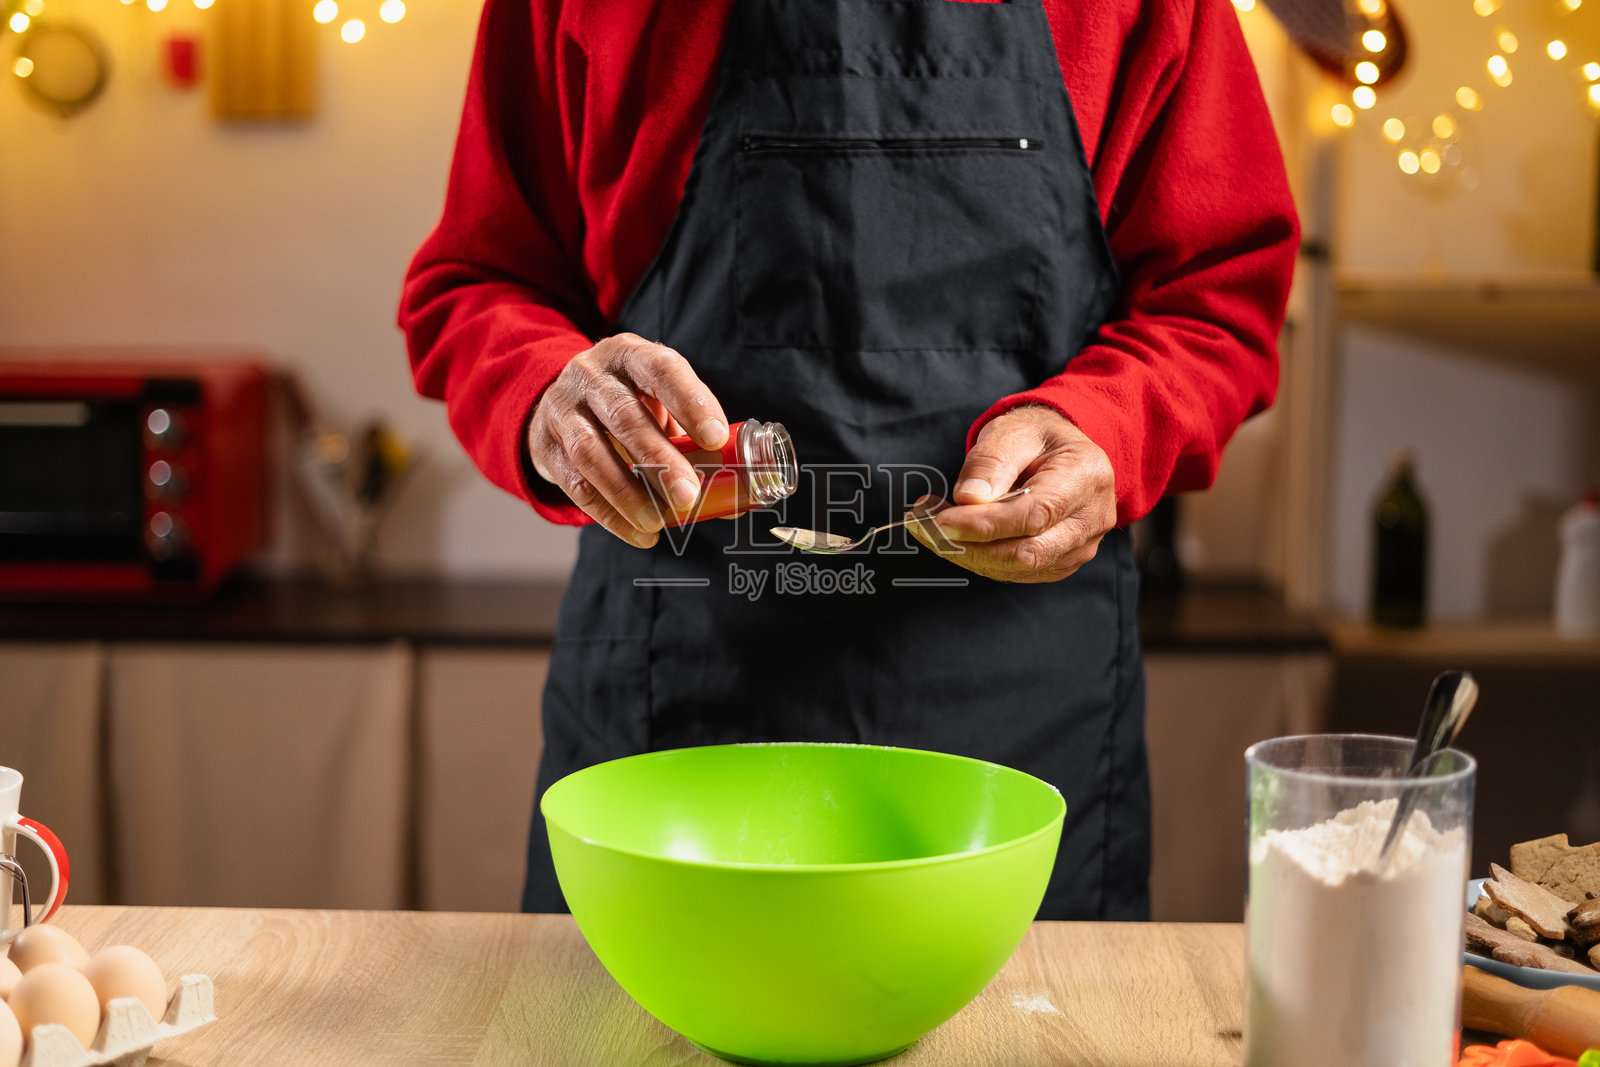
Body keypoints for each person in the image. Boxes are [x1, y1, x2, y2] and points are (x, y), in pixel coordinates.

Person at [400, 0, 1297, 920]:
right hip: (677, 720)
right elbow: (475, 281)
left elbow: (1218, 298)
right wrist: (551, 394)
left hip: (1021, 745)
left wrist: (1113, 422)